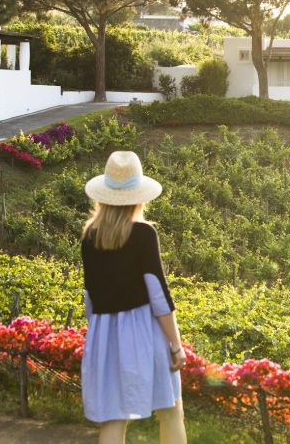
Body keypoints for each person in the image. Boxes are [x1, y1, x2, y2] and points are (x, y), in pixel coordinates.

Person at [80, 151, 187, 444]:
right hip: (143, 331)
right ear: (139, 197)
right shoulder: (143, 234)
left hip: (104, 334)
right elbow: (158, 294)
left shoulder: (90, 236)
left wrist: (98, 336)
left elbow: (90, 296)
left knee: (114, 416)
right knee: (170, 409)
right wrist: (176, 346)